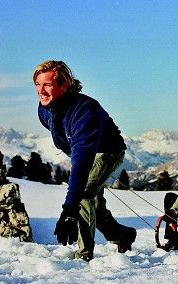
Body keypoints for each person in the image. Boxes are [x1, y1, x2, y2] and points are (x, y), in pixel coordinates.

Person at [33, 60, 136, 261]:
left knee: (83, 194)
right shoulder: (45, 110)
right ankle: (123, 235)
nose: (41, 91)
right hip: (85, 153)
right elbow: (71, 144)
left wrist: (70, 208)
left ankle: (84, 254)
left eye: (47, 85)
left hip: (107, 152)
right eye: (38, 84)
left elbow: (82, 157)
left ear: (64, 85)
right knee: (94, 205)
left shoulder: (83, 110)